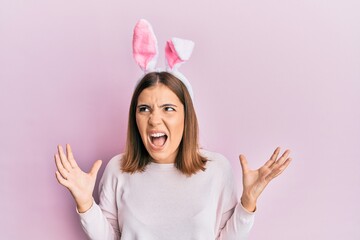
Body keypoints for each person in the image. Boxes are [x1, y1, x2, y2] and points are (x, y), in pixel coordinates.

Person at [54, 19, 292, 240]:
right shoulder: (118, 170)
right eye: (144, 109)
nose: (154, 120)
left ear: (186, 116)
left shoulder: (216, 169)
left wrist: (248, 202)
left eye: (168, 108)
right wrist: (85, 202)